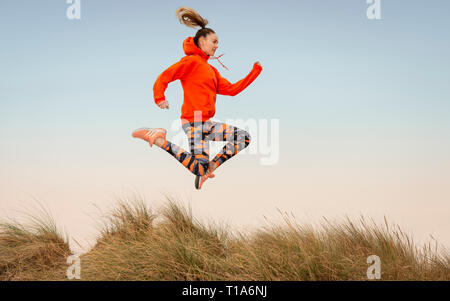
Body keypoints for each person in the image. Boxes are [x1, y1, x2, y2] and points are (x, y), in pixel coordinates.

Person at [132, 6, 263, 189]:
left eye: (218, 43)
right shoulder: (191, 62)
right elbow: (165, 76)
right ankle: (159, 138)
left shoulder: (212, 71)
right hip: (193, 123)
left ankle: (208, 168)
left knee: (243, 138)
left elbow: (232, 90)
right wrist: (159, 96)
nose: (217, 46)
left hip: (207, 124)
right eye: (214, 42)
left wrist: (254, 73)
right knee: (198, 169)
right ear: (201, 41)